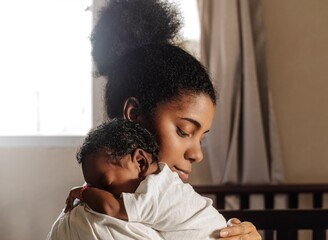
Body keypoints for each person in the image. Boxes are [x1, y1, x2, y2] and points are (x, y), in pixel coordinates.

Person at [62, 0, 261, 239]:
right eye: (184, 131)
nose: (197, 155)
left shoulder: (165, 207)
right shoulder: (96, 225)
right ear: (134, 115)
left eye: (201, 138)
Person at [54, 118, 227, 239]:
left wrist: (85, 192)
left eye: (104, 184)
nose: (100, 191)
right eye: (92, 185)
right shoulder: (161, 180)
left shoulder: (156, 192)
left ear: (141, 162)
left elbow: (111, 207)